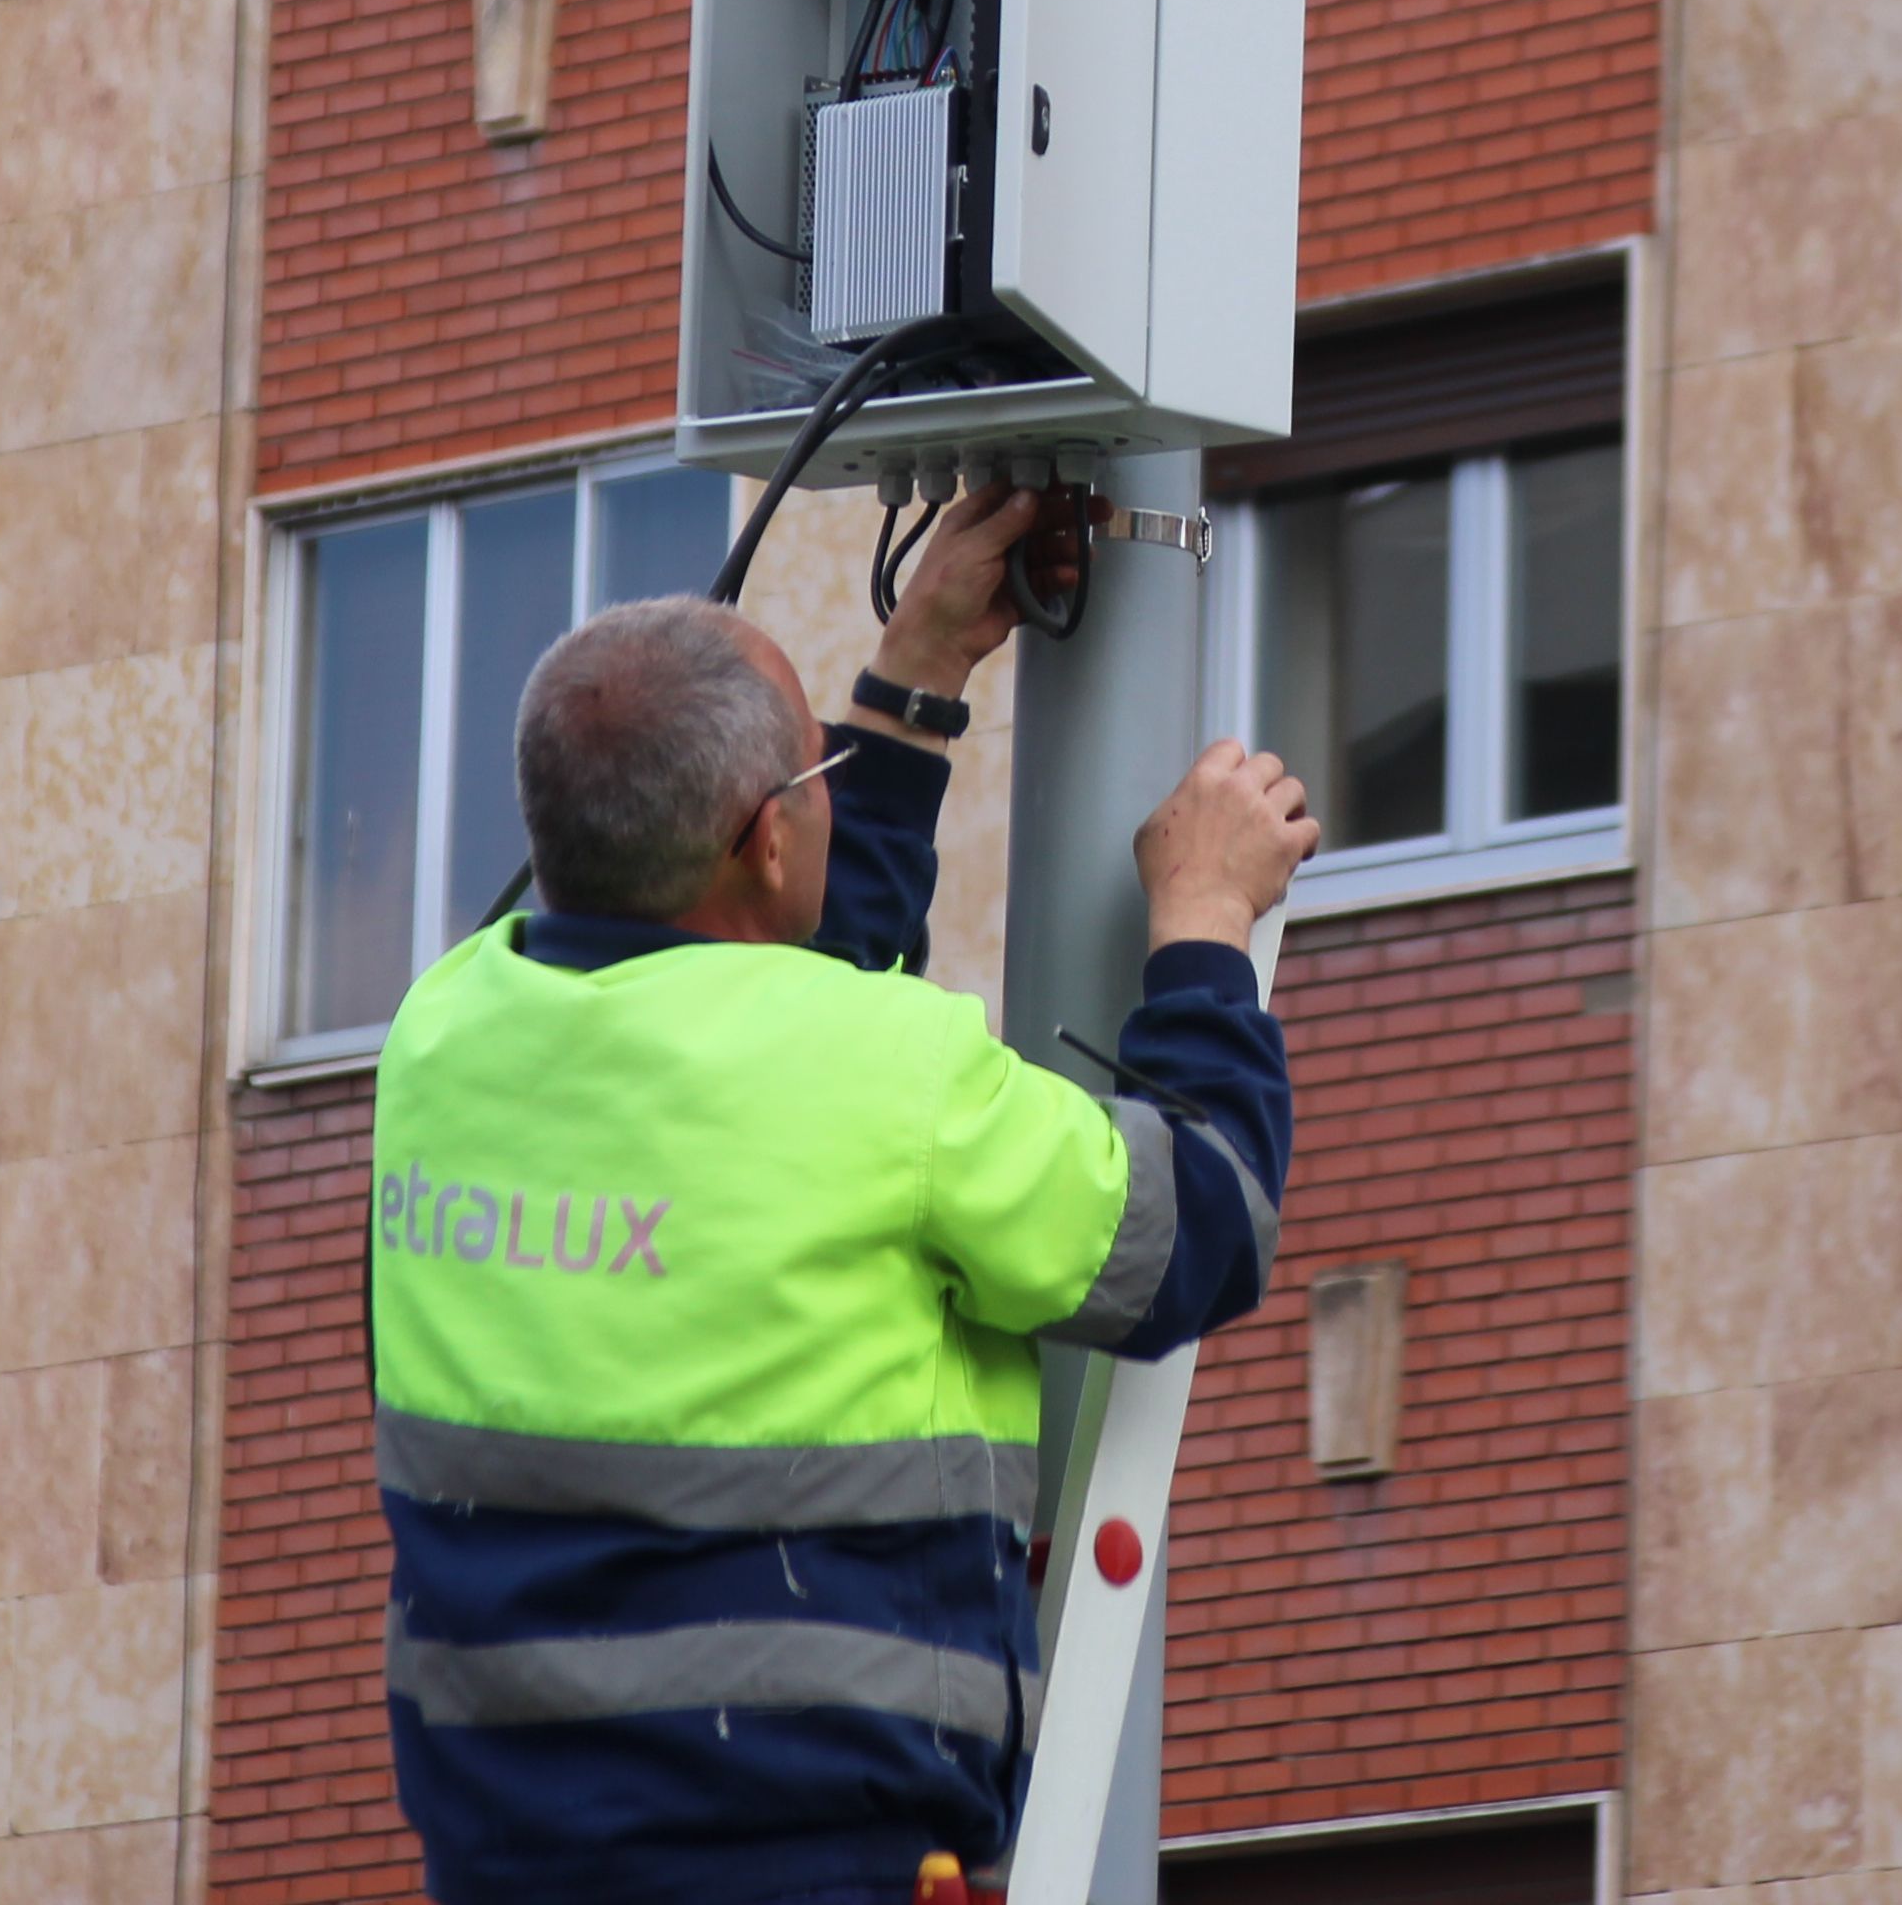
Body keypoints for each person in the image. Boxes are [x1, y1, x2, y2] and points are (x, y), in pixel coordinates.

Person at [366, 480, 1317, 1905]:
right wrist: (1205, 928)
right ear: (766, 839)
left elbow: (754, 995)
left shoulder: (441, 1042)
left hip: (507, 1861)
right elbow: (1198, 1229)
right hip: (825, 1866)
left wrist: (914, 676)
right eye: (814, 781)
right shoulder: (891, 1077)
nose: (820, 801)